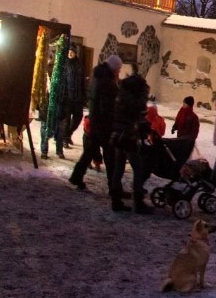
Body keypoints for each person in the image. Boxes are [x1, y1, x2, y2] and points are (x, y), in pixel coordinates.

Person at [69, 54, 121, 191]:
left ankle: (76, 177)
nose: (119, 72)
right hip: (104, 125)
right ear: (114, 68)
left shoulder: (97, 77)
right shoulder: (107, 82)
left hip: (95, 121)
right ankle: (114, 188)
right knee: (110, 157)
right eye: (119, 69)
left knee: (89, 152)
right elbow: (107, 106)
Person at [110, 66, 153, 214]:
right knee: (139, 168)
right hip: (127, 137)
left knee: (118, 168)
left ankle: (115, 200)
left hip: (118, 136)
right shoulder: (133, 100)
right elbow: (139, 112)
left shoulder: (121, 95)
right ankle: (138, 202)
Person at [60, 44, 86, 148]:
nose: (70, 54)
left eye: (72, 52)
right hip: (68, 97)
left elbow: (82, 81)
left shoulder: (80, 65)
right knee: (66, 119)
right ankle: (64, 139)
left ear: (75, 53)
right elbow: (63, 82)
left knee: (78, 118)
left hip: (78, 97)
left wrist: (84, 96)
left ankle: (67, 134)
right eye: (69, 52)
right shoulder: (65, 65)